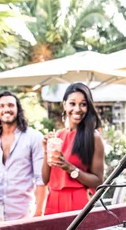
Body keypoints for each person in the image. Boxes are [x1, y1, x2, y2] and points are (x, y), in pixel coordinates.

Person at [42, 82, 105, 214]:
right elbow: (45, 179)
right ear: (64, 104)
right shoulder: (57, 136)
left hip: (78, 201)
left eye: (83, 104)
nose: (77, 109)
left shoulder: (93, 137)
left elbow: (98, 181)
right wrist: (45, 150)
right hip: (52, 201)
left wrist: (69, 168)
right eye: (72, 103)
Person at [0, 91, 46, 220]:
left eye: (11, 105)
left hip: (23, 211)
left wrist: (39, 213)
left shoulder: (34, 137)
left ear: (18, 109)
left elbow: (41, 179)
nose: (7, 109)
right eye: (2, 106)